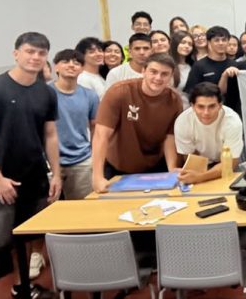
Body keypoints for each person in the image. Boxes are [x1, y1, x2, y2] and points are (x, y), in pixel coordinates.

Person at [0, 32, 61, 299]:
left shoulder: (46, 92)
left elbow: (50, 135)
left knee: (26, 237)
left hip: (34, 177)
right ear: (16, 54)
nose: (35, 57)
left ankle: (22, 286)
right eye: (29, 51)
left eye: (41, 53)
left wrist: (56, 174)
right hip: (0, 181)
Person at [91, 53, 184, 193]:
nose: (158, 78)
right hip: (119, 166)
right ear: (143, 71)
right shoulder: (119, 92)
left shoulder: (174, 99)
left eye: (164, 74)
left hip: (155, 167)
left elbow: (169, 137)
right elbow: (101, 135)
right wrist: (97, 176)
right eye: (153, 72)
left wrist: (171, 169)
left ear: (171, 76)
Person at [50, 49, 99, 200]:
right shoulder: (45, 93)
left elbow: (95, 127)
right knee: (49, 207)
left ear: (82, 69)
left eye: (76, 63)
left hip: (81, 160)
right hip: (50, 161)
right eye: (65, 62)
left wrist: (94, 156)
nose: (71, 65)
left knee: (83, 206)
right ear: (56, 67)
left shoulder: (90, 95)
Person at [174, 82, 243, 185]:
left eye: (211, 106)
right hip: (200, 163)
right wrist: (199, 175)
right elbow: (190, 156)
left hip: (227, 163)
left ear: (220, 105)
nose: (206, 112)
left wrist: (201, 177)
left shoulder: (232, 121)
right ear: (192, 106)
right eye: (200, 107)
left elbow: (231, 163)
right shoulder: (183, 121)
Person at [183, 26, 236, 95]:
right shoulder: (199, 66)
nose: (221, 43)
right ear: (209, 42)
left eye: (224, 40)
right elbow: (190, 92)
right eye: (216, 40)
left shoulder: (235, 65)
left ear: (228, 42)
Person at [168, 31, 195, 108]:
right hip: (169, 106)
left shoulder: (192, 66)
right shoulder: (167, 64)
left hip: (188, 107)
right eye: (183, 42)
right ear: (175, 44)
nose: (187, 46)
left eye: (190, 44)